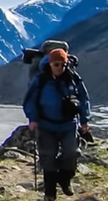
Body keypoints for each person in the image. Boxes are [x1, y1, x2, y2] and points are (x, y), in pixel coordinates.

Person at [23, 48, 92, 201]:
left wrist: (85, 119)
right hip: (46, 124)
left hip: (68, 124)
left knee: (71, 153)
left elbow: (83, 98)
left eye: (62, 64)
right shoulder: (40, 80)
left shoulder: (73, 78)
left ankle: (64, 178)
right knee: (48, 157)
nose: (59, 68)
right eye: (56, 64)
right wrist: (33, 119)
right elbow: (30, 100)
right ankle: (49, 193)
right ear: (50, 64)